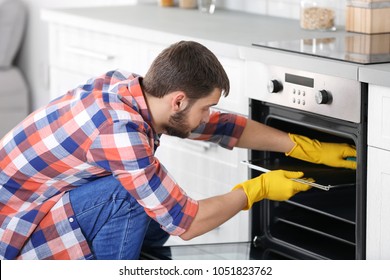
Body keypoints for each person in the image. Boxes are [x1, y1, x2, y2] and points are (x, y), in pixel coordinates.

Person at [0, 41, 356, 260]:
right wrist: (256, 190)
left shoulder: (130, 90)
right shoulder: (121, 132)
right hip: (15, 232)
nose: (208, 115)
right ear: (179, 100)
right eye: (206, 106)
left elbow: (219, 126)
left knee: (147, 196)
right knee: (130, 197)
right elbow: (186, 222)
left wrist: (302, 146)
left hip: (37, 203)